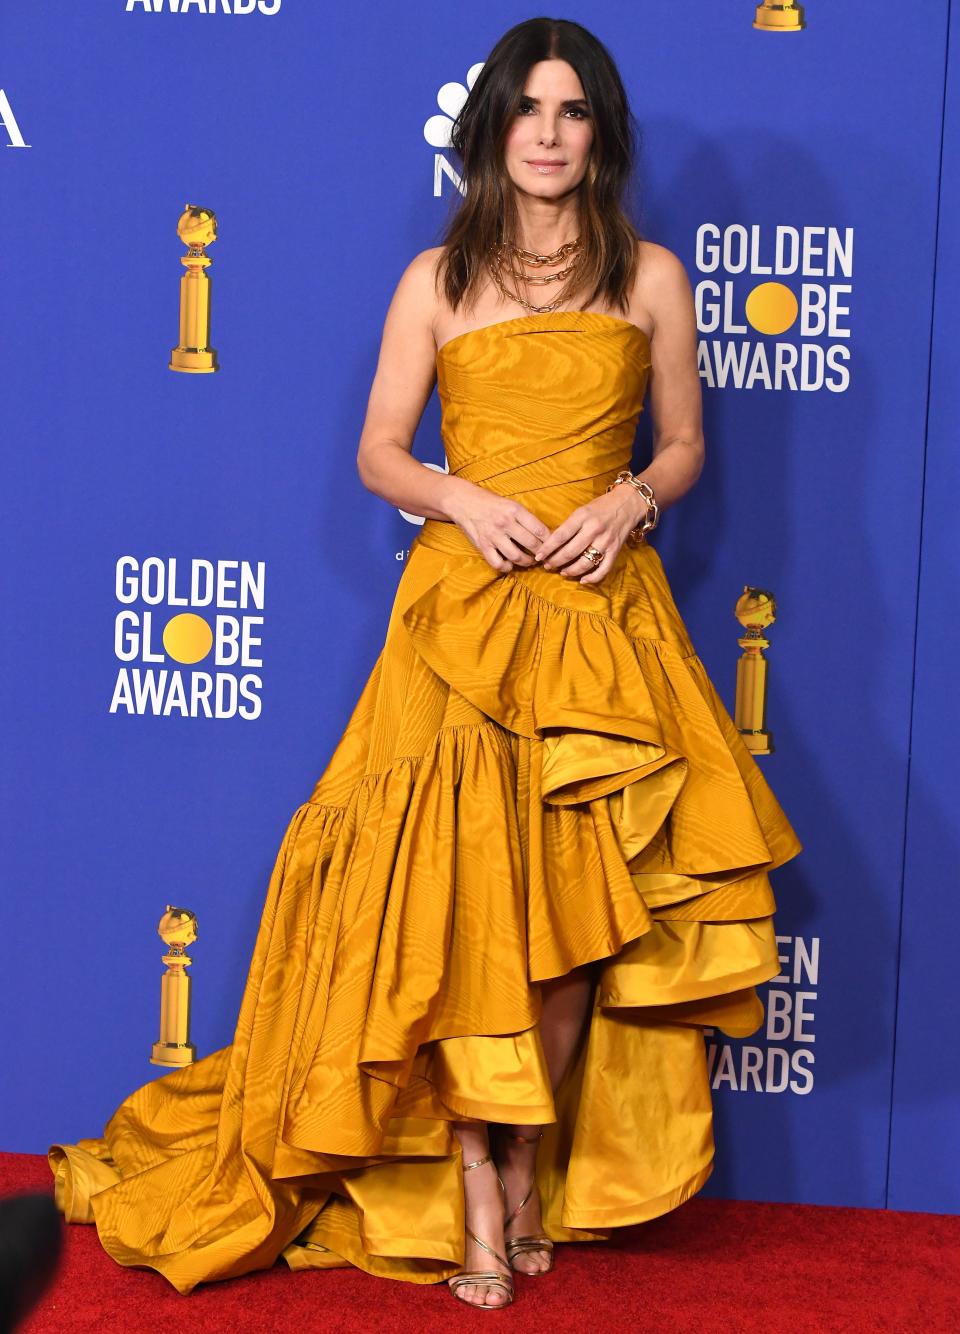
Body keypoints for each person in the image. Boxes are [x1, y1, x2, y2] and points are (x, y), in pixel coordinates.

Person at [48, 16, 802, 1313]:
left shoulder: (655, 278)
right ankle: (475, 1204)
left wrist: (632, 502)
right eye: (528, 109)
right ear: (493, 128)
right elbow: (380, 451)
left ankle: (528, 1169)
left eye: (572, 111)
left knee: (569, 937)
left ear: (599, 132)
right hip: (462, 622)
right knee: (461, 922)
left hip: (601, 623)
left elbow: (682, 446)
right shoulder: (436, 280)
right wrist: (462, 500)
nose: (550, 134)